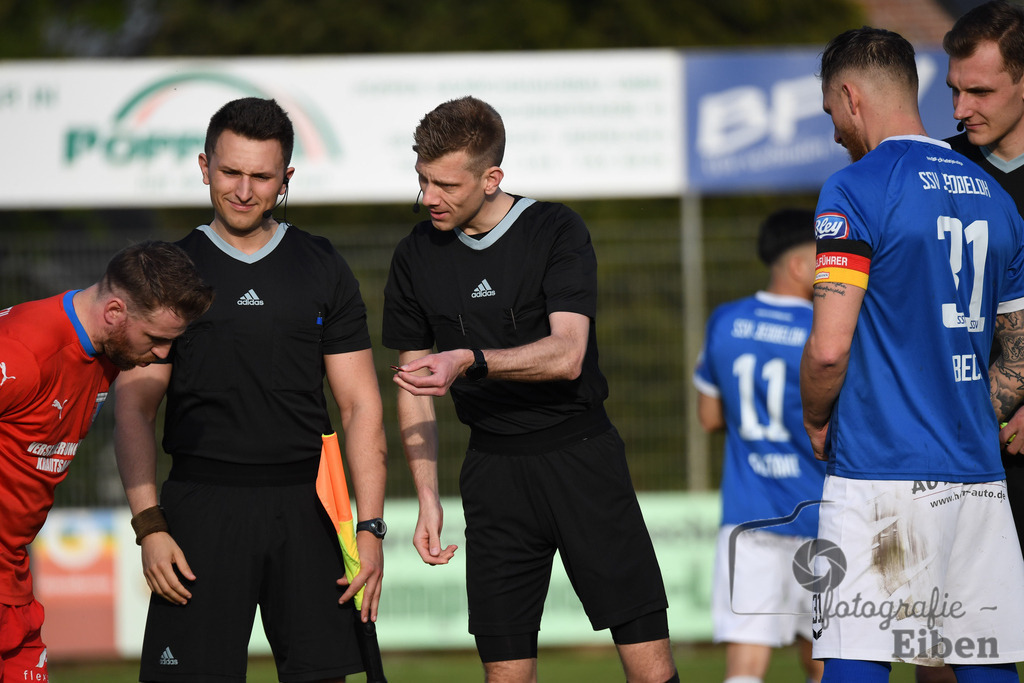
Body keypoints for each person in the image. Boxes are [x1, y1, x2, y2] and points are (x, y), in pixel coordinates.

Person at [382, 95, 678, 683]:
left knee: (650, 668)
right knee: (505, 675)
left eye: (444, 184)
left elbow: (568, 354)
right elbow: (414, 383)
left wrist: (470, 360)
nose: (427, 199)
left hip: (582, 458)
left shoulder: (556, 229)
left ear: (492, 178)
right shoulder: (414, 255)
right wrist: (428, 495)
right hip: (492, 473)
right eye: (422, 180)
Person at [113, 97, 388, 683]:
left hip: (310, 510)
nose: (243, 189)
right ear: (204, 165)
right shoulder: (168, 269)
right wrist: (150, 526)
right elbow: (133, 406)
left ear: (286, 178)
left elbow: (360, 404)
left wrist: (368, 528)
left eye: (261, 176)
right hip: (199, 510)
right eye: (230, 171)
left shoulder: (321, 264)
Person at [801, 27, 1024, 682]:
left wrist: (815, 416)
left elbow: (828, 347)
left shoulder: (856, 186)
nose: (836, 132)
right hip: (977, 477)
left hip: (880, 472)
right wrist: (963, 417)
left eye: (831, 115)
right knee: (984, 663)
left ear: (849, 97)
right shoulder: (997, 201)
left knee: (858, 656)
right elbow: (1017, 351)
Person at [0, 241, 213, 682]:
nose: (161, 354)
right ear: (114, 312)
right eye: (155, 339)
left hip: (12, 578)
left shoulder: (106, 353)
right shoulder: (22, 351)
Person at [693, 208, 825, 683]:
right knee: (823, 660)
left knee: (746, 666)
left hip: (748, 518)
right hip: (821, 516)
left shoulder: (725, 320)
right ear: (798, 264)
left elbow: (709, 418)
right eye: (823, 257)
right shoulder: (827, 330)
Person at [933, 5, 1024, 682]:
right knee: (944, 647)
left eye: (981, 91)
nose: (962, 107)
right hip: (961, 448)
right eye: (954, 90)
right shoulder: (943, 171)